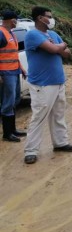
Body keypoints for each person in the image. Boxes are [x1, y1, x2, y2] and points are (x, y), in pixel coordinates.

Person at [23, 6, 72, 165]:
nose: (52, 19)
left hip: (59, 81)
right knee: (39, 116)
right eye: (49, 16)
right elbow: (55, 49)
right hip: (42, 83)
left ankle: (60, 143)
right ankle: (31, 151)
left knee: (58, 114)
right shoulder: (32, 35)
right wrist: (60, 47)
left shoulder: (53, 34)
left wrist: (59, 48)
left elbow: (68, 53)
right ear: (40, 18)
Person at [0, 9, 27, 142]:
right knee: (8, 102)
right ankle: (7, 133)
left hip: (14, 71)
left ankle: (13, 129)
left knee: (15, 100)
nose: (17, 22)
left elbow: (13, 55)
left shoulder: (11, 33)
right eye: (16, 20)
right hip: (5, 73)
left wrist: (21, 69)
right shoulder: (1, 33)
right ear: (12, 21)